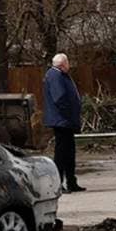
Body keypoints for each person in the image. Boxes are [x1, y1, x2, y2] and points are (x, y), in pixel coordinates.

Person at [43, 53, 84, 193]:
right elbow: (59, 98)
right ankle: (58, 183)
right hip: (61, 120)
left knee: (69, 152)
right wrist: (68, 112)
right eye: (68, 63)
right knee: (62, 153)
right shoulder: (55, 76)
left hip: (65, 120)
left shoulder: (60, 75)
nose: (69, 65)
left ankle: (71, 181)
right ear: (63, 64)